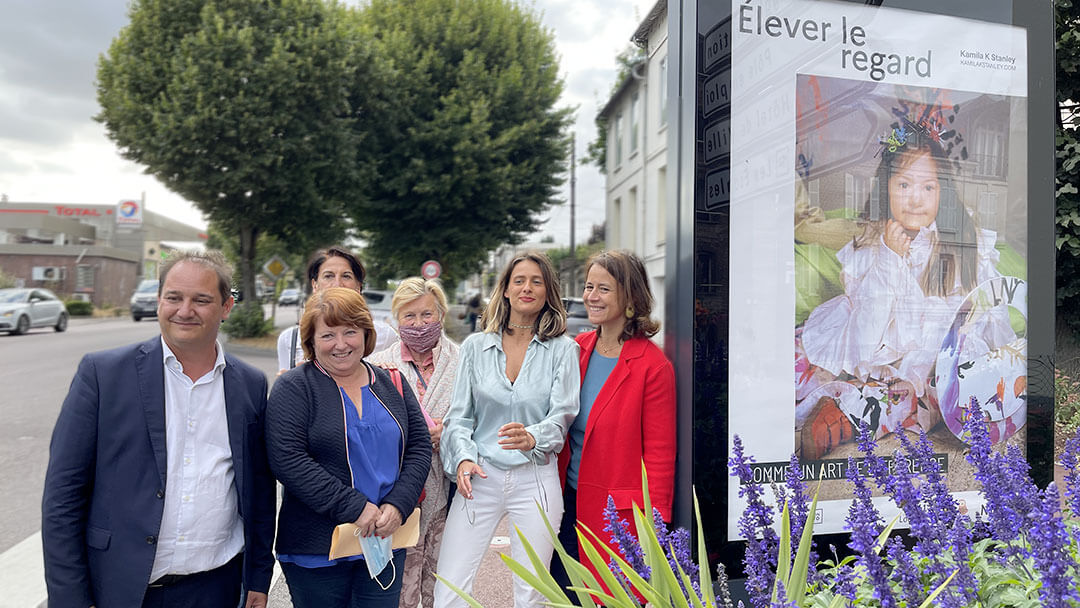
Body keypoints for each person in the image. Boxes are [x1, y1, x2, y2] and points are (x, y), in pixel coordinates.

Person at [42, 250, 275, 608]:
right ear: (158, 300)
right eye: (174, 297)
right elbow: (63, 497)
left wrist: (258, 575)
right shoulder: (103, 375)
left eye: (201, 300)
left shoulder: (249, 385)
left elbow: (258, 491)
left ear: (226, 307)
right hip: (121, 590)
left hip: (217, 589)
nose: (185, 310)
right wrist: (72, 599)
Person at [796, 124, 1015, 457]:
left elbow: (993, 303)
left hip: (935, 352)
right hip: (874, 344)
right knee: (806, 359)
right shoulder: (870, 243)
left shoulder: (962, 240)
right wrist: (889, 257)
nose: (916, 199)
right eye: (904, 185)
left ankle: (851, 412)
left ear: (943, 191)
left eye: (929, 187)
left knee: (930, 394)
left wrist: (1005, 356)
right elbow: (866, 339)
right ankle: (839, 406)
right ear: (886, 189)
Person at [266, 287, 430, 607]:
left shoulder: (390, 382)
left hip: (385, 538)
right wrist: (354, 508)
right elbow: (288, 459)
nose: (341, 344)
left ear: (366, 334)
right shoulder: (295, 388)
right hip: (317, 550)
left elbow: (420, 446)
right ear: (311, 340)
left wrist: (399, 504)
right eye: (328, 335)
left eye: (350, 332)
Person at [435, 252, 580, 608]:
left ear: (549, 291)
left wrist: (534, 437)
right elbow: (459, 418)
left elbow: (563, 415)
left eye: (536, 281)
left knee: (531, 592)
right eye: (519, 280)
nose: (527, 288)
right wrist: (464, 459)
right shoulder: (474, 347)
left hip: (536, 478)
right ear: (505, 290)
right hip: (480, 477)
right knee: (450, 586)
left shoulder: (563, 350)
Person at [550, 250, 677, 593]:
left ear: (631, 295)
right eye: (589, 286)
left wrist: (655, 529)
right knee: (566, 595)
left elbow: (660, 456)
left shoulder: (653, 366)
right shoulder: (578, 348)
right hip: (566, 502)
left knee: (610, 598)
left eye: (603, 289)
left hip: (618, 516)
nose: (591, 296)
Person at [369, 277, 460, 608]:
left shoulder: (463, 361)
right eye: (409, 317)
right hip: (402, 494)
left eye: (426, 315)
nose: (419, 324)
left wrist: (448, 432)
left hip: (449, 494)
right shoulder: (380, 366)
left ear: (440, 315)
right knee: (400, 589)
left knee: (443, 587)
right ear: (396, 320)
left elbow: (478, 417)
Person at [277, 246, 394, 374]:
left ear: (358, 286)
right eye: (328, 276)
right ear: (314, 285)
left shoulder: (386, 336)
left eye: (346, 276)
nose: (337, 284)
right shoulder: (290, 339)